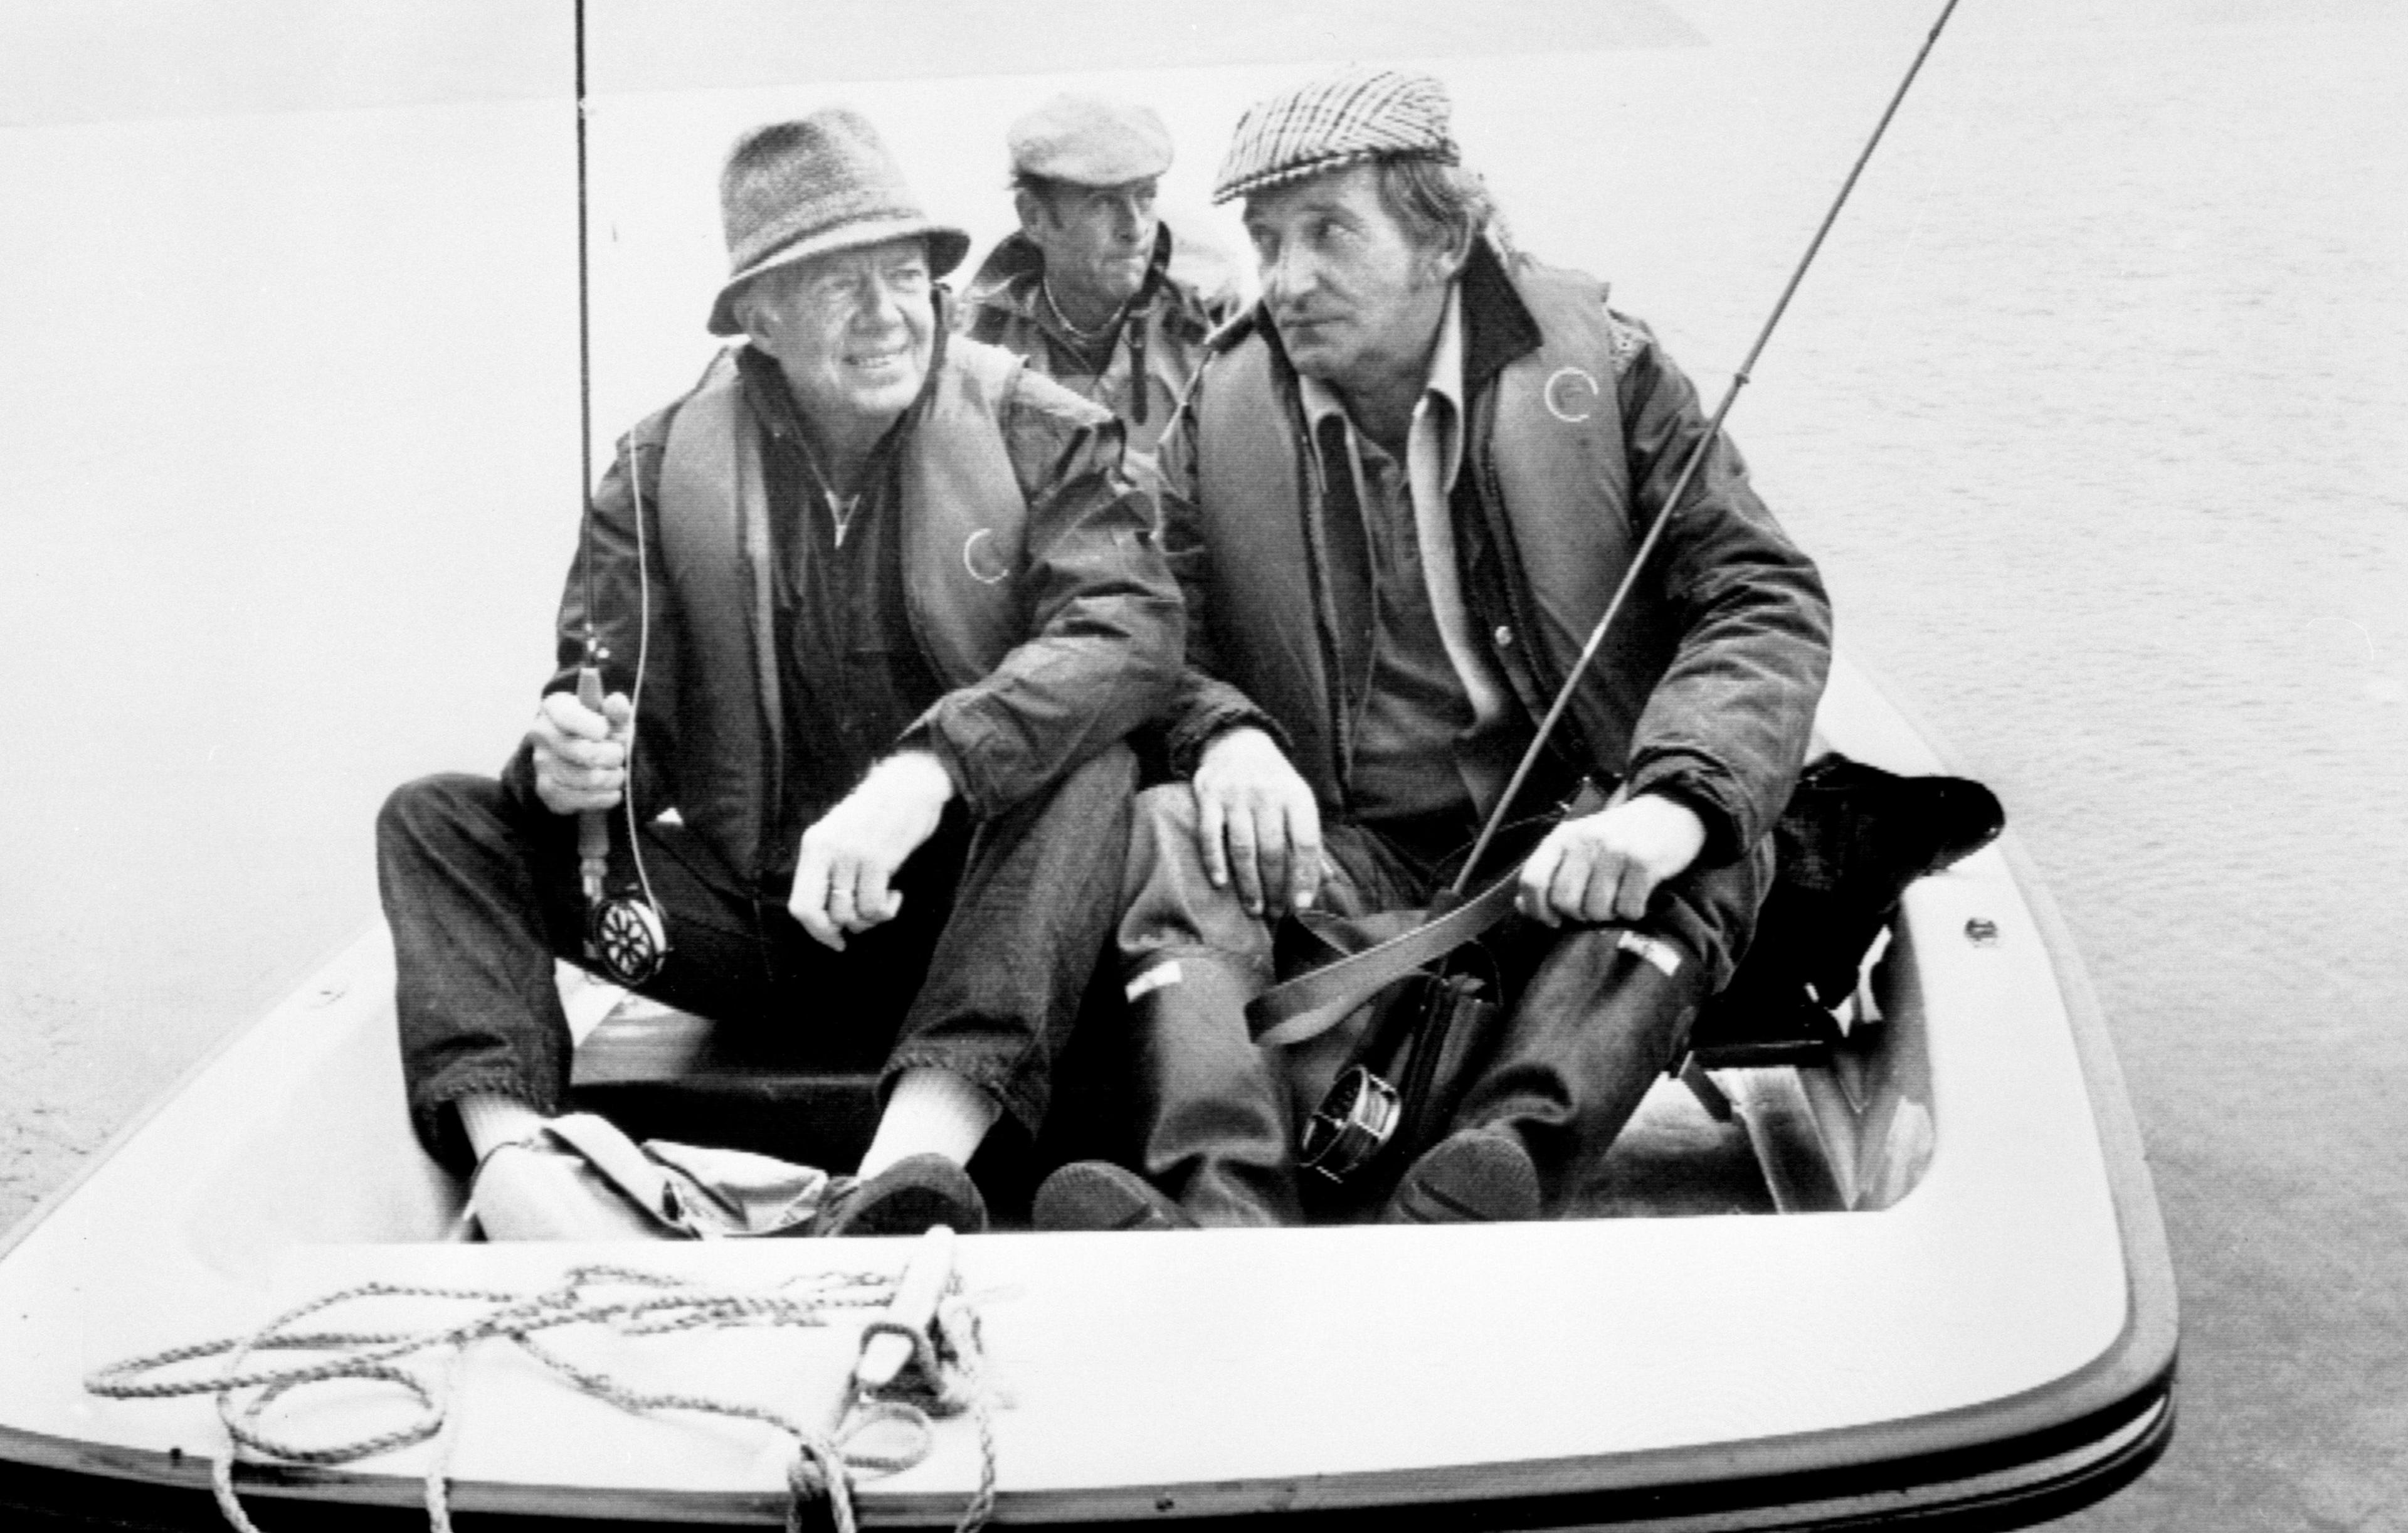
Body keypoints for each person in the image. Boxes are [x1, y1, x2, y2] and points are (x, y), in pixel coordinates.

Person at [1032, 68, 1832, 1231]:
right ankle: (1222, 1209)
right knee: (1168, 829)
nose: (1287, 281)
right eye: (1267, 241)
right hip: (1344, 848)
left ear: (1443, 236)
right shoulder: (1222, 409)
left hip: (1576, 836)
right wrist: (1228, 735)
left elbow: (1766, 596)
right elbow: (1152, 622)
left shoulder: (1611, 372)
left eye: (1329, 234)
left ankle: (1489, 1181)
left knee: (1714, 833)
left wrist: (1667, 805)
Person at [378, 108, 1181, 1239]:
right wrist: (565, 761)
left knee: (1094, 767)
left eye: (905, 275)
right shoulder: (658, 471)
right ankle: (522, 1172)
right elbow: (608, 703)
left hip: (989, 929)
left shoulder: (1044, 431)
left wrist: (929, 771)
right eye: (836, 285)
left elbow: (1132, 630)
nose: (885, 315)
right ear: (758, 313)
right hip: (760, 932)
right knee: (437, 824)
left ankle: (909, 1165)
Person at [955, 92, 1238, 480]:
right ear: (1034, 217)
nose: (1135, 227)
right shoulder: (979, 341)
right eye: (1103, 203)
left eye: (1146, 196)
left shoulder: (1213, 320)